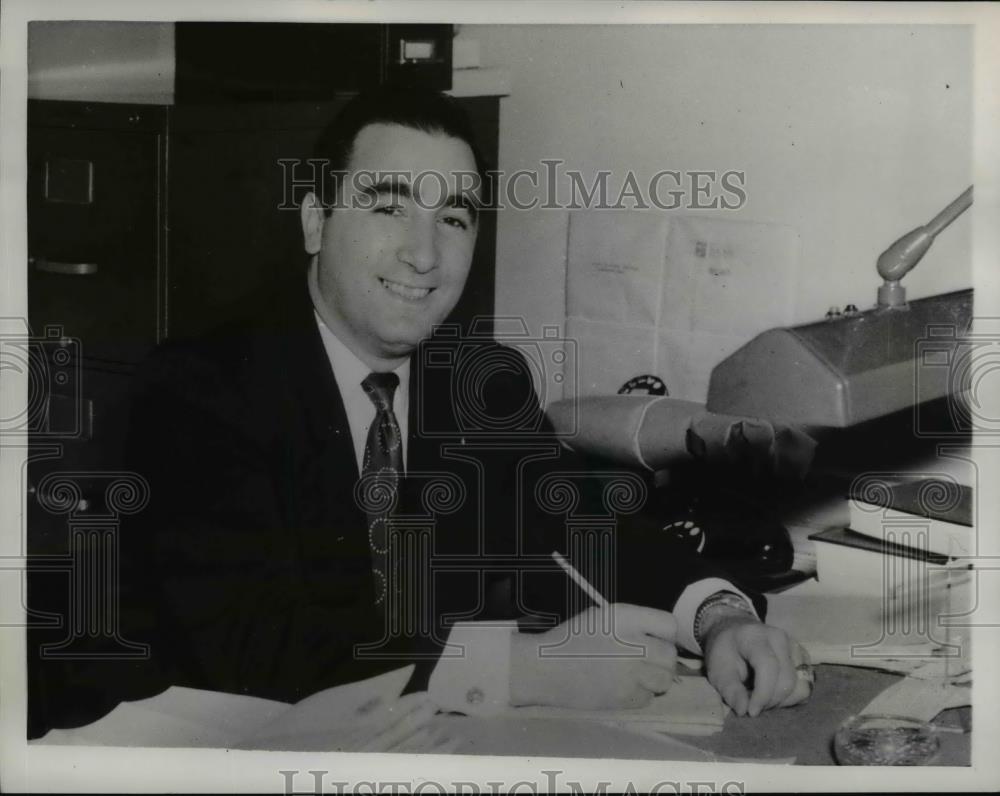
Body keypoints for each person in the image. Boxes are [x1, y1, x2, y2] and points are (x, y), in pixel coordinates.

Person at [122, 89, 810, 738]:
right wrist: (520, 670)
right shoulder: (196, 391)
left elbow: (583, 528)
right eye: (388, 208)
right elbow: (250, 646)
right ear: (315, 221)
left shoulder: (482, 382)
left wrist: (719, 616)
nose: (423, 255)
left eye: (452, 219)